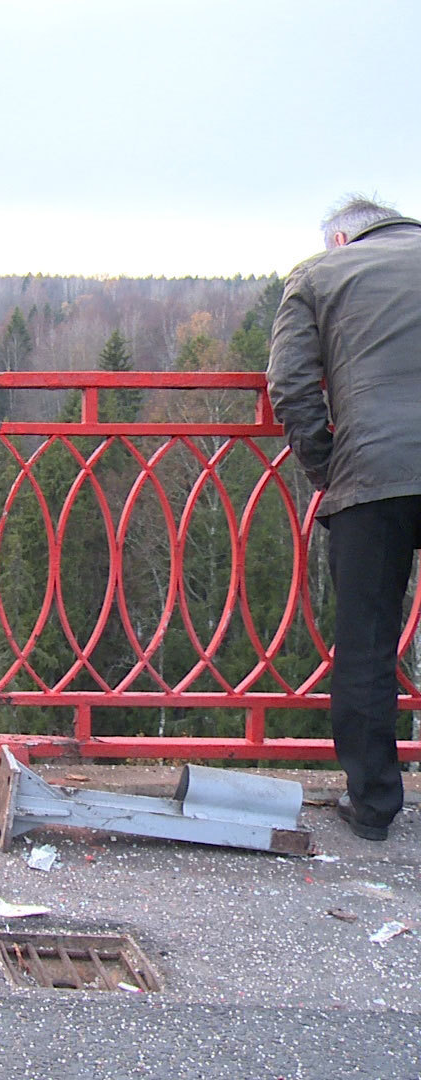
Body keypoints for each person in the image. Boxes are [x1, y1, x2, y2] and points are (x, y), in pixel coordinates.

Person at [268, 194, 421, 841]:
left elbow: (292, 387)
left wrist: (328, 470)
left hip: (373, 479)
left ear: (340, 240)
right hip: (374, 471)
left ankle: (374, 807)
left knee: (365, 642)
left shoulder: (318, 276)